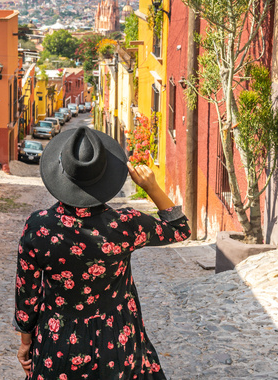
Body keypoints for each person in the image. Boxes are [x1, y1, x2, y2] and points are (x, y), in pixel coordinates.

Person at [14, 126, 191, 379]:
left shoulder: (38, 228)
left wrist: (25, 342)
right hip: (117, 341)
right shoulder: (126, 224)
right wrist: (151, 187)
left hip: (59, 341)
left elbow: (27, 297)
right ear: (107, 175)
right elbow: (180, 228)